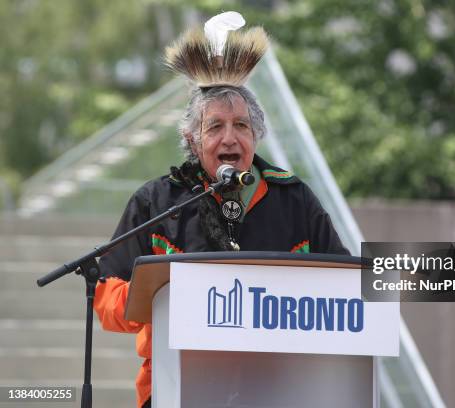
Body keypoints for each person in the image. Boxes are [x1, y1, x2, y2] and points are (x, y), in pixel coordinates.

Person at [93, 12, 348, 408]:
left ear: (256, 136)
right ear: (193, 141)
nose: (230, 137)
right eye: (215, 127)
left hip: (278, 390)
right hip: (174, 388)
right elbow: (106, 296)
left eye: (241, 126)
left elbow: (349, 282)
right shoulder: (157, 202)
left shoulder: (294, 199)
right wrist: (159, 297)